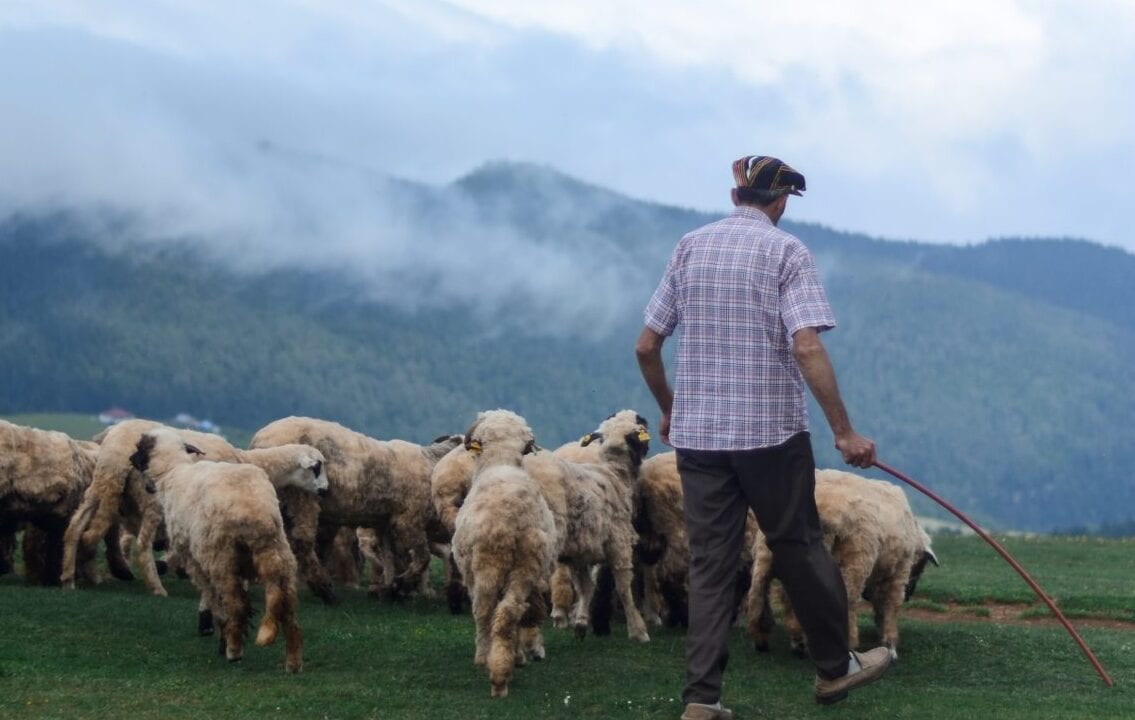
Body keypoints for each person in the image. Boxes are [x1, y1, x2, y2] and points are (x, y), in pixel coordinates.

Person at [635, 155, 892, 718]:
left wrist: (671, 410)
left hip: (699, 443)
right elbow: (806, 345)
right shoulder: (788, 252)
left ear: (736, 196)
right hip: (770, 438)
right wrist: (844, 433)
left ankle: (701, 702)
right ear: (779, 203)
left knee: (711, 564)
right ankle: (833, 670)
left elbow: (646, 347)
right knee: (798, 546)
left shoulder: (689, 247)